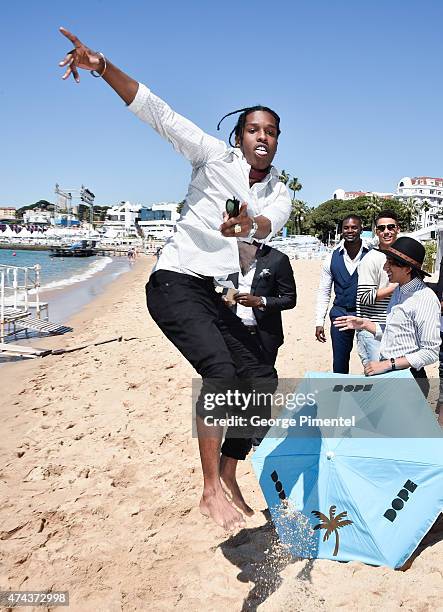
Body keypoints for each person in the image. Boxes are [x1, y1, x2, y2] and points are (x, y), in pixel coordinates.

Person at [58, 28, 291, 530]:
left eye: (271, 131)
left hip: (213, 294)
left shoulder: (280, 190)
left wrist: (247, 225)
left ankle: (229, 469)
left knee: (263, 379)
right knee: (221, 373)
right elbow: (155, 110)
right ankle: (209, 489)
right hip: (172, 282)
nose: (263, 137)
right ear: (239, 136)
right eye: (254, 129)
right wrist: (102, 67)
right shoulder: (210, 154)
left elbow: (268, 223)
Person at [220, 241, 296, 514]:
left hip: (263, 338)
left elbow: (290, 298)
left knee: (261, 392)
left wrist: (260, 301)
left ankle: (252, 442)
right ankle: (251, 441)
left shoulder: (277, 260)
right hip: (232, 336)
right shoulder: (224, 257)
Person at [334, 237, 440, 397]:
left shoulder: (424, 298)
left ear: (407, 269)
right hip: (391, 374)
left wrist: (387, 364)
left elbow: (430, 352)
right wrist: (364, 324)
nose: (385, 267)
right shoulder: (399, 290)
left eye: (390, 262)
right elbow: (396, 333)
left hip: (409, 380)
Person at [315, 215, 370, 373]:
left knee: (372, 359)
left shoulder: (372, 255)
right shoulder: (331, 258)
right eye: (346, 227)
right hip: (340, 314)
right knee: (339, 362)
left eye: (354, 227)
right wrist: (320, 321)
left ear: (361, 228)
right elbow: (324, 292)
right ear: (341, 230)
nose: (350, 230)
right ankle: (340, 396)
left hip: (366, 314)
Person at [356, 210, 400, 365]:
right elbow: (365, 297)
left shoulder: (402, 257)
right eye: (382, 228)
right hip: (372, 331)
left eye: (390, 227)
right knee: (378, 383)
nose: (386, 231)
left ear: (398, 229)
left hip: (396, 330)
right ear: (376, 232)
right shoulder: (371, 259)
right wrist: (397, 285)